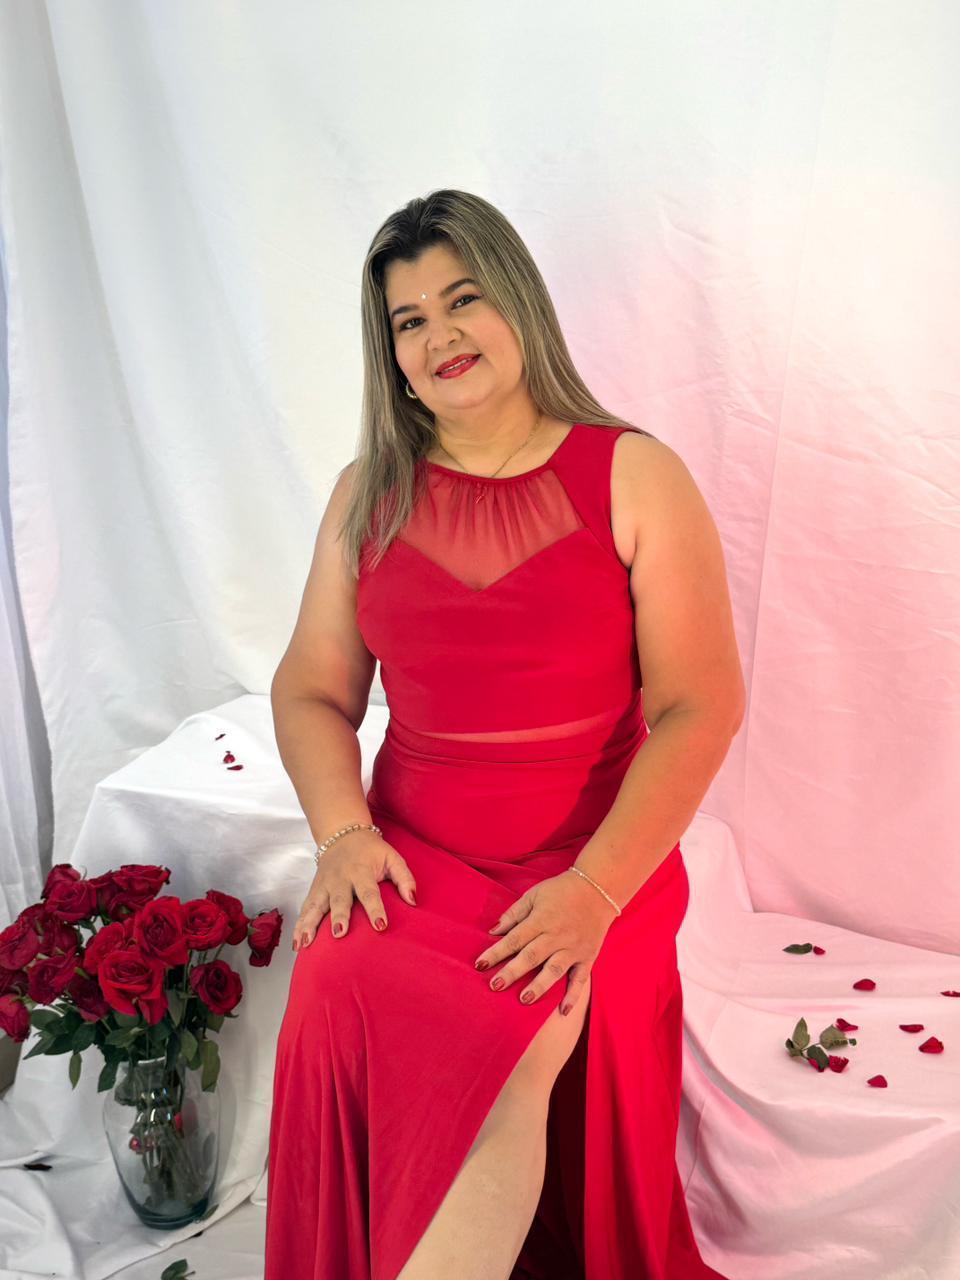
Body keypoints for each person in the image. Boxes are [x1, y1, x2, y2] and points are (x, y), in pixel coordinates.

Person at [264, 188, 742, 1280]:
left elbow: (700, 706)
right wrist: (343, 833)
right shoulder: (366, 495)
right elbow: (310, 690)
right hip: (411, 859)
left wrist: (595, 891)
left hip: (595, 858)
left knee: (519, 1022)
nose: (440, 335)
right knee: (335, 973)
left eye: (462, 299)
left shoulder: (635, 474)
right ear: (391, 356)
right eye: (409, 319)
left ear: (517, 302)